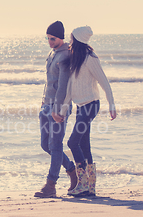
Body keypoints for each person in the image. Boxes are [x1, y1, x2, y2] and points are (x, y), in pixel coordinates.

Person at [53, 26, 117, 197]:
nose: (69, 40)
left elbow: (104, 82)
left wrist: (112, 105)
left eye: (72, 38)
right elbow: (70, 89)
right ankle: (90, 187)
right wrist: (63, 109)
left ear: (78, 40)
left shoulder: (90, 59)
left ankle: (82, 184)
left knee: (72, 143)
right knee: (84, 145)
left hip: (90, 106)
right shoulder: (75, 58)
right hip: (81, 107)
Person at [34, 21, 77, 198]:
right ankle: (72, 170)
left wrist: (59, 110)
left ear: (61, 37)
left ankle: (51, 185)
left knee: (56, 145)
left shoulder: (66, 55)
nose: (50, 41)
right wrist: (43, 103)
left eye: (53, 38)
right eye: (48, 38)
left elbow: (63, 86)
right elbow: (49, 82)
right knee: (46, 145)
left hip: (58, 107)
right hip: (46, 105)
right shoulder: (52, 53)